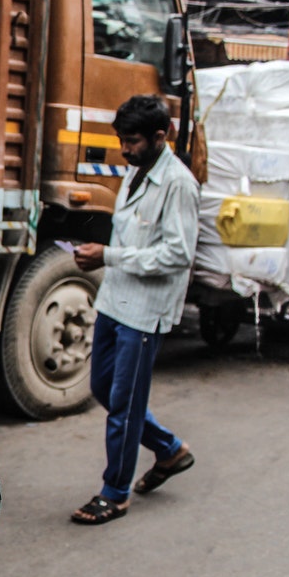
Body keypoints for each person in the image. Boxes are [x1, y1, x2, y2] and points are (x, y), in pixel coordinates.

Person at [70, 95, 199, 525]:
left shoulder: (179, 183)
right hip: (116, 299)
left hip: (145, 310)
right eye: (122, 140)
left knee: (124, 403)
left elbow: (177, 255)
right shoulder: (135, 172)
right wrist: (107, 256)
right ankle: (168, 449)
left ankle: (115, 492)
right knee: (106, 390)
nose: (125, 149)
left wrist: (109, 256)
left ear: (161, 137)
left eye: (133, 141)